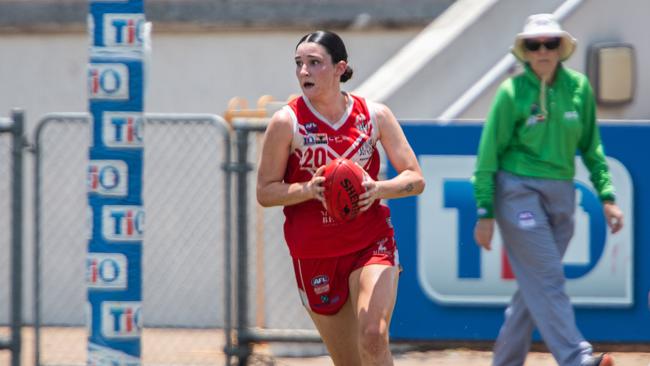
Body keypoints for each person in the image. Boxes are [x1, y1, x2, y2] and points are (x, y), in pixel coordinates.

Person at [256, 30, 425, 365]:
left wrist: (378, 188)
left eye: (314, 63)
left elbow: (415, 179)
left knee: (374, 337)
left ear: (339, 68)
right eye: (299, 63)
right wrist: (308, 189)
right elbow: (264, 191)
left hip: (370, 241)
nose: (304, 71)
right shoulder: (286, 122)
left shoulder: (374, 115)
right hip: (315, 252)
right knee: (349, 361)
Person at [472, 14, 623, 366]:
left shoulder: (580, 88)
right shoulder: (510, 92)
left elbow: (592, 147)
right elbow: (487, 155)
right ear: (524, 50)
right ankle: (576, 357)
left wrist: (608, 197)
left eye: (550, 43)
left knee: (534, 289)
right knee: (548, 278)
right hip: (517, 193)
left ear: (561, 48)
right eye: (534, 44)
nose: (542, 50)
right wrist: (485, 212)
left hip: (562, 197)